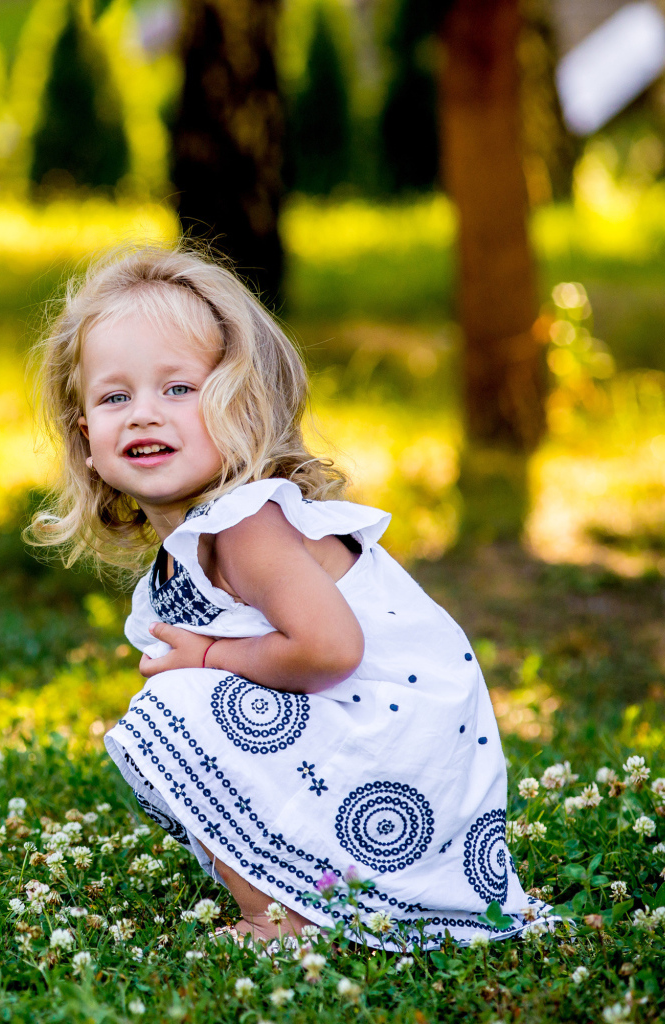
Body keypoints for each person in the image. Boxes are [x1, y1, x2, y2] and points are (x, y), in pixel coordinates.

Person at [27, 244, 546, 948]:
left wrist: (209, 655)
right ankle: (308, 887)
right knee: (181, 720)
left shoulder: (248, 525)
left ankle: (282, 916)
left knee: (175, 709)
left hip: (401, 747)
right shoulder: (202, 539)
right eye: (116, 397)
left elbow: (331, 649)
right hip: (378, 752)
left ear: (237, 406)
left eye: (178, 390)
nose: (144, 414)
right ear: (87, 436)